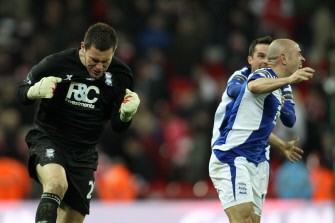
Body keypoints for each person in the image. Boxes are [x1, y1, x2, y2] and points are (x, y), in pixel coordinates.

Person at [17, 22, 140, 223]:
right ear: (83, 48)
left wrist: (126, 115)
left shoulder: (121, 75)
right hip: (49, 139)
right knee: (57, 184)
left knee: (72, 219)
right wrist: (34, 91)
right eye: (94, 60)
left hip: (84, 154)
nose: (99, 67)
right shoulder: (55, 63)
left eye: (105, 62)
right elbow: (22, 93)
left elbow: (118, 127)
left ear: (113, 53)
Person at [209, 38, 315, 223]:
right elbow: (253, 86)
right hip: (232, 156)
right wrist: (289, 79)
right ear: (283, 58)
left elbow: (288, 120)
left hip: (255, 159)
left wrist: (281, 144)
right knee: (242, 217)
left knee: (252, 220)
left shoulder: (280, 85)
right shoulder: (260, 75)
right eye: (298, 54)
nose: (302, 59)